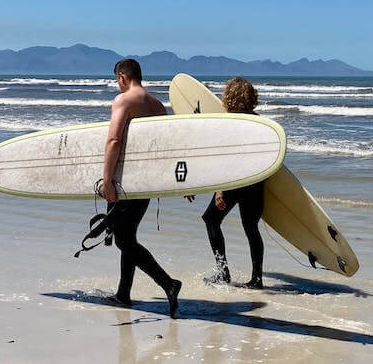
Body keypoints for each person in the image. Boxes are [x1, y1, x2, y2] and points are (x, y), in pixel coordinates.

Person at [101, 58, 183, 318]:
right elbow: (167, 146)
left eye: (117, 79)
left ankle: (168, 283)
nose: (118, 84)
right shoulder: (158, 106)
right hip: (146, 182)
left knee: (124, 239)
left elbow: (114, 140)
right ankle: (123, 295)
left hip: (125, 181)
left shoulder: (123, 101)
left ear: (123, 76)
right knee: (128, 237)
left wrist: (106, 179)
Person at [198, 76, 265, 289]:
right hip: (256, 182)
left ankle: (223, 272)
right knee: (251, 227)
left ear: (230, 96)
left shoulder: (231, 124)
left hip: (235, 181)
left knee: (210, 219)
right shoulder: (260, 122)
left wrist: (219, 190)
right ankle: (257, 279)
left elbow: (225, 158)